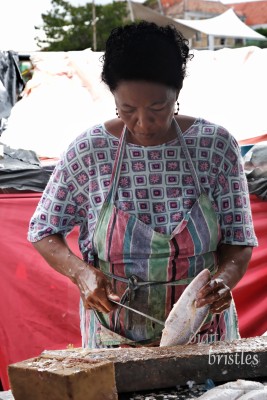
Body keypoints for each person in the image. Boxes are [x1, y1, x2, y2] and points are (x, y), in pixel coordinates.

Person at [28, 21, 258, 348]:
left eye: (157, 108)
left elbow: (238, 242)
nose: (142, 123)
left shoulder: (215, 147)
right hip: (114, 337)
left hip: (203, 336)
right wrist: (82, 274)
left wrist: (224, 281)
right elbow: (43, 229)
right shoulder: (89, 152)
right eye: (127, 109)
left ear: (176, 94)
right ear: (113, 98)